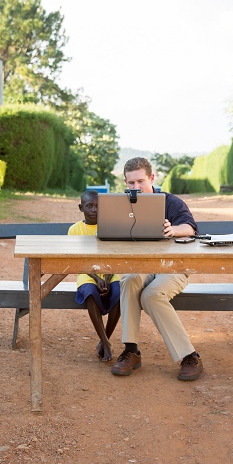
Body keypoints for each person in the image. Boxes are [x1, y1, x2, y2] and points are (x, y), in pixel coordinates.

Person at [110, 157, 203, 381]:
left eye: (140, 181)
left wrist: (174, 230)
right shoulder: (121, 204)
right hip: (142, 266)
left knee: (151, 295)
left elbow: (190, 228)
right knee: (129, 279)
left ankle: (190, 355)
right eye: (131, 183)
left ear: (152, 178)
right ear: (125, 182)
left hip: (173, 267)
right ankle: (131, 350)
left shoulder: (171, 202)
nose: (136, 188)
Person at [68, 189, 122, 361]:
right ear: (80, 207)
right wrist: (97, 278)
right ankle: (105, 343)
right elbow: (76, 261)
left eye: (98, 206)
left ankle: (105, 339)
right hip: (87, 273)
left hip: (110, 272)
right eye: (89, 206)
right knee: (90, 292)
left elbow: (116, 256)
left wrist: (106, 277)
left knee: (119, 292)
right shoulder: (75, 230)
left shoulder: (110, 227)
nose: (94, 210)